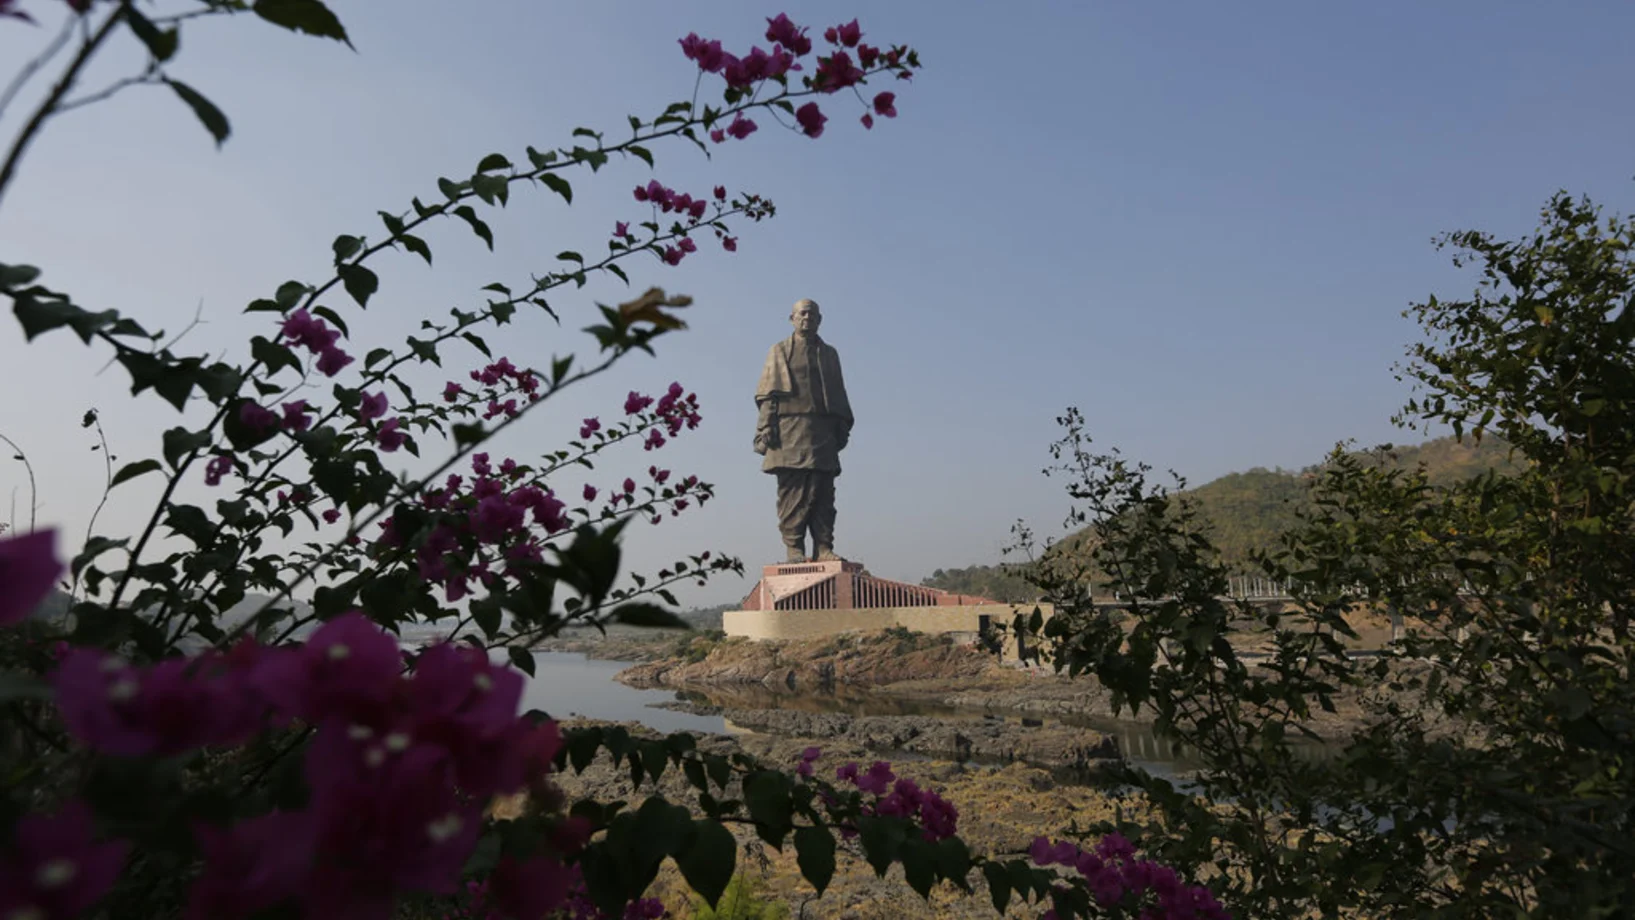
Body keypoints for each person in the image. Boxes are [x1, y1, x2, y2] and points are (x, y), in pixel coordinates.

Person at [754, 298, 854, 563]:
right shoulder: (779, 351)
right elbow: (767, 395)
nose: (807, 318)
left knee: (823, 492)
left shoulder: (830, 354)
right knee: (792, 492)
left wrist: (841, 425)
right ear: (792, 318)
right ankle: (794, 547)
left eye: (812, 314)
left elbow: (839, 393)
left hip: (822, 431)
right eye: (802, 313)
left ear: (820, 320)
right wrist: (765, 428)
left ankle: (823, 547)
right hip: (788, 430)